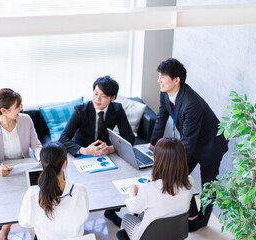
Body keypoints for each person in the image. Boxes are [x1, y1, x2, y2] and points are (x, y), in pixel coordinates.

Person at [148, 58, 229, 232]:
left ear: (176, 80)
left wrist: (170, 162)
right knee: (176, 174)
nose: (159, 80)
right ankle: (191, 214)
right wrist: (154, 145)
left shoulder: (192, 103)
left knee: (208, 186)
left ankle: (202, 221)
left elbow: (188, 141)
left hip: (210, 146)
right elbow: (161, 118)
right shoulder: (165, 93)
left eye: (163, 76)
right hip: (192, 141)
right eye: (159, 76)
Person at [59, 75, 135, 227]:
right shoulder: (81, 110)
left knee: (118, 175)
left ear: (112, 98)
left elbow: (129, 137)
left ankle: (111, 211)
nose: (97, 99)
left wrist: (112, 148)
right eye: (95, 93)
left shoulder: (117, 109)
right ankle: (75, 215)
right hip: (82, 153)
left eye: (103, 96)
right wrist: (84, 150)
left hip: (104, 152)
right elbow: (63, 139)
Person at [0, 88, 42, 240]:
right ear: (4, 111)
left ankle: (35, 229)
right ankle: (5, 228)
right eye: (17, 106)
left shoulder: (26, 119)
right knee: (11, 199)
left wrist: (42, 160)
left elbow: (36, 145)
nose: (21, 109)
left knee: (35, 195)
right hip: (3, 171)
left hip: (25, 166)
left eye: (20, 105)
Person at [120, 137, 194, 240]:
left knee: (126, 218)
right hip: (175, 233)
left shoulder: (148, 189)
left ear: (156, 159)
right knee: (143, 214)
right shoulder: (190, 182)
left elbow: (133, 208)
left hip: (148, 236)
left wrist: (132, 193)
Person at [18, 141, 89, 239]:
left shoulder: (33, 194)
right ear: (64, 163)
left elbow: (24, 222)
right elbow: (83, 217)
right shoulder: (80, 191)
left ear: (41, 163)